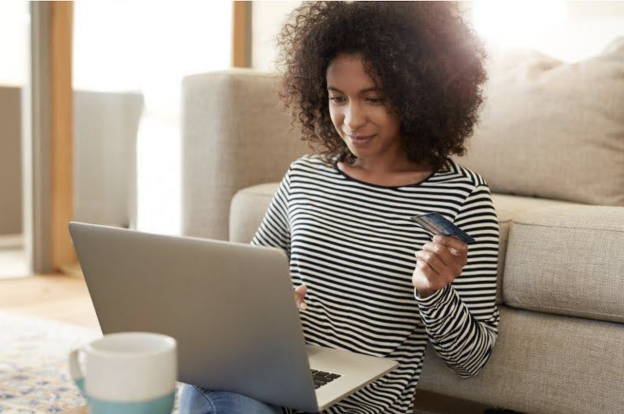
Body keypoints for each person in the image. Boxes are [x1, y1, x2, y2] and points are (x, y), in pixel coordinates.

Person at [179, 2, 500, 413]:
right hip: (274, 382)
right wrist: (267, 306)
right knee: (206, 378)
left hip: (357, 406)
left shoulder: (461, 197)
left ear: (419, 95)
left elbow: (472, 362)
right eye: (338, 98)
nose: (352, 120)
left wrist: (434, 294)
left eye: (374, 98)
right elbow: (246, 283)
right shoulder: (304, 177)